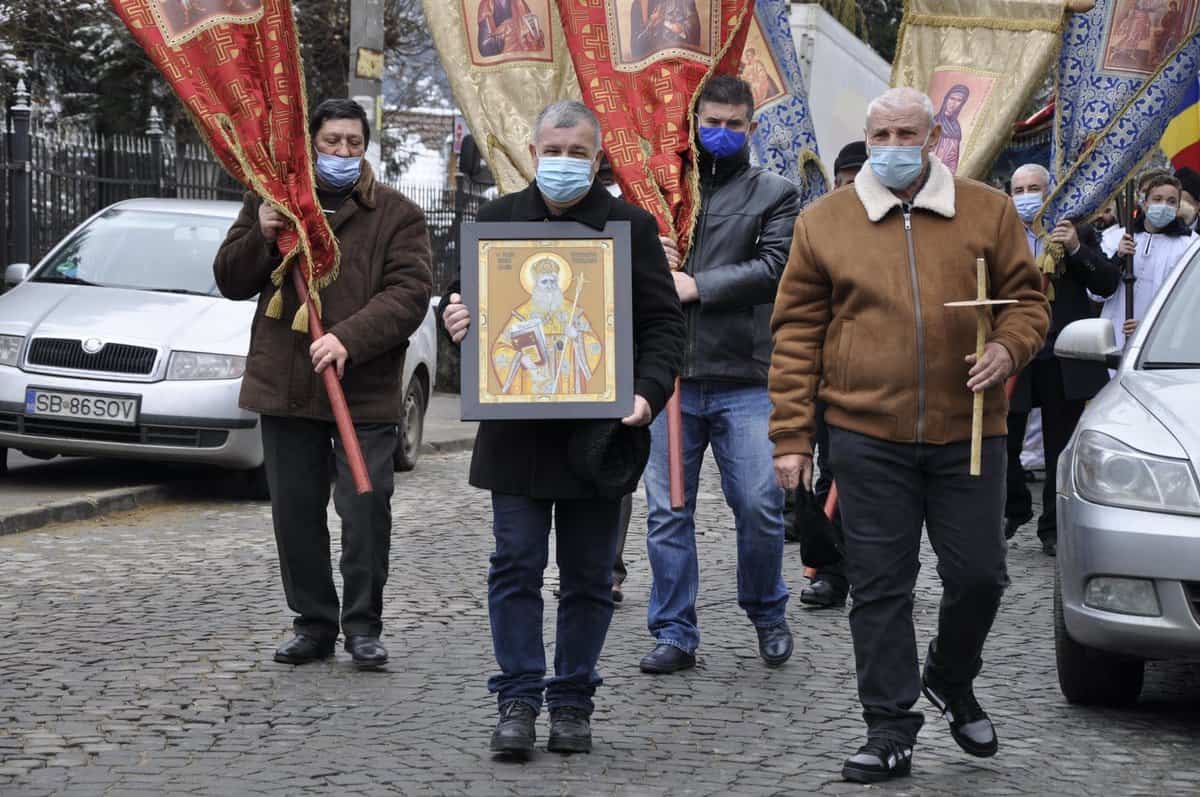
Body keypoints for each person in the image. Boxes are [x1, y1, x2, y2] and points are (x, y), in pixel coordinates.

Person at [769, 87, 1049, 783]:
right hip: (865, 433)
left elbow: (1028, 302)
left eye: (908, 134)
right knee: (880, 586)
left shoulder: (988, 209)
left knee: (980, 574)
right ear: (867, 139)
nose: (893, 146)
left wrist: (1010, 349)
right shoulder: (825, 222)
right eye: (882, 134)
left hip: (971, 429)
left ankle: (950, 676)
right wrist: (792, 437)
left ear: (934, 141)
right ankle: (889, 726)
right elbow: (797, 334)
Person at [440, 101, 684, 756]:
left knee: (587, 573)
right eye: (555, 149)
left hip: (598, 438)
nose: (565, 163)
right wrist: (455, 320)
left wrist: (646, 393)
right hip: (515, 437)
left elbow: (664, 326)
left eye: (579, 152)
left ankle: (572, 699)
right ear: (532, 147)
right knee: (515, 563)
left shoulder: (629, 228)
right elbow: (465, 304)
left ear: (598, 157)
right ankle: (517, 697)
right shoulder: (494, 222)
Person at [213, 99, 433, 669]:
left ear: (366, 147)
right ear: (312, 144)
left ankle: (363, 625)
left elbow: (408, 295)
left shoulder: (396, 215)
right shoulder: (273, 203)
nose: (341, 152)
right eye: (331, 141)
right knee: (294, 511)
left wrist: (348, 340)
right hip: (286, 386)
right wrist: (261, 234)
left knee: (365, 510)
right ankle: (313, 623)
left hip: (363, 391)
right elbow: (230, 280)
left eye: (352, 143)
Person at [639, 75, 800, 675]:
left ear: (752, 127)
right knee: (667, 510)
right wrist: (652, 265)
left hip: (744, 376)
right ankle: (675, 630)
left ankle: (766, 610)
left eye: (735, 124)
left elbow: (775, 268)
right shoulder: (659, 191)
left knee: (759, 504)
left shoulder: (776, 193)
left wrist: (696, 285)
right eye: (712, 122)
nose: (722, 134)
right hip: (670, 376)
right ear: (693, 122)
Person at [1003, 163, 1122, 557]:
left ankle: (1052, 527)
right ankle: (1013, 505)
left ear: (1050, 191)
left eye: (1034, 187)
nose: (1026, 196)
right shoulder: (1001, 232)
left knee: (1060, 446)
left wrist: (1075, 247)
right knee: (1003, 439)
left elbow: (1105, 282)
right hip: (1017, 350)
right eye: (1018, 189)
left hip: (1062, 353)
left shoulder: (1076, 230)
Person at [792, 140, 867, 610]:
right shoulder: (817, 230)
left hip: (882, 379)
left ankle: (883, 570)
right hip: (828, 376)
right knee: (830, 476)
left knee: (878, 481)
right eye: (845, 183)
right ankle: (831, 572)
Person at [1094, 171, 1197, 349]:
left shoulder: (1191, 245)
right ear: (1145, 203)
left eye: (1171, 201)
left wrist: (1150, 326)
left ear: (1178, 206)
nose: (1164, 205)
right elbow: (1097, 291)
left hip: (1162, 342)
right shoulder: (1115, 237)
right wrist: (1118, 258)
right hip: (1114, 337)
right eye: (1157, 199)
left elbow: (1191, 304)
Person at [630, 0, 702, 60]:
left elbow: (694, 23)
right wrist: (651, 24)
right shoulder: (638, 5)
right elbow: (636, 46)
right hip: (654, 57)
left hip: (678, 54)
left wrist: (682, 28)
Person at [477, 0, 545, 57]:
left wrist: (535, 36)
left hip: (523, 57)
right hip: (503, 59)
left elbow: (532, 34)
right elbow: (484, 48)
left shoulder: (519, 2)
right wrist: (506, 33)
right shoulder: (487, 5)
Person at [932, 85, 969, 174]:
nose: (953, 103)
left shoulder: (956, 129)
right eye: (952, 98)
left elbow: (953, 161)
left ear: (962, 104)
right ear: (946, 99)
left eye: (959, 100)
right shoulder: (933, 122)